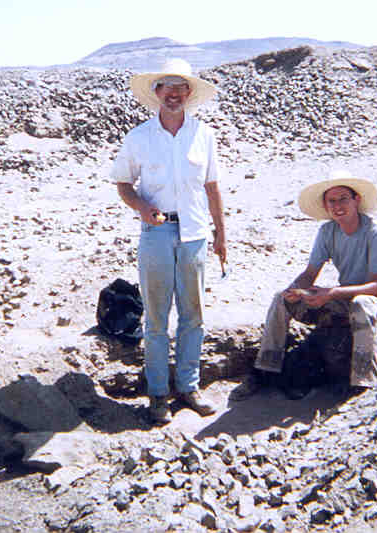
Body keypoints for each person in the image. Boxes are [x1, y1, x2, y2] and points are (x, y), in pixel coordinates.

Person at [111, 58, 227, 424]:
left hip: (194, 233)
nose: (174, 94)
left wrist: (221, 235)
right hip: (156, 233)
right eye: (167, 88)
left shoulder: (203, 135)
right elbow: (123, 184)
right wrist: (142, 207)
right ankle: (158, 394)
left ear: (189, 94)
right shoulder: (139, 137)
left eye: (181, 88)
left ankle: (189, 386)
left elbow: (212, 188)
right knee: (157, 317)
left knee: (193, 316)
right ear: (156, 93)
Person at [231, 170, 377, 400]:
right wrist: (294, 290)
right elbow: (310, 273)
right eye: (332, 201)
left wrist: (331, 294)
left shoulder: (376, 232)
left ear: (356, 200)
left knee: (363, 304)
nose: (337, 205)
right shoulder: (327, 231)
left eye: (343, 198)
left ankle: (362, 382)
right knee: (280, 299)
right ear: (325, 205)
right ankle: (265, 368)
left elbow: (376, 286)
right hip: (344, 297)